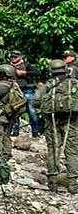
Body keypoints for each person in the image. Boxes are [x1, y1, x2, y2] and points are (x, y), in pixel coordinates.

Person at [37, 59, 78, 193]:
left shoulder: (49, 85)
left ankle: (52, 183)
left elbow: (35, 102)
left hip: (52, 121)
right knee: (71, 152)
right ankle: (73, 185)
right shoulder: (74, 83)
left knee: (53, 150)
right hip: (71, 122)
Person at [8, 51, 41, 138]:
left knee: (32, 111)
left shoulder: (27, 65)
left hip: (27, 90)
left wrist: (24, 73)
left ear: (20, 57)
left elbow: (37, 72)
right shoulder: (9, 67)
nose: (13, 58)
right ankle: (15, 132)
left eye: (15, 56)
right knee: (14, 111)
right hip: (14, 91)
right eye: (12, 56)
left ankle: (35, 132)